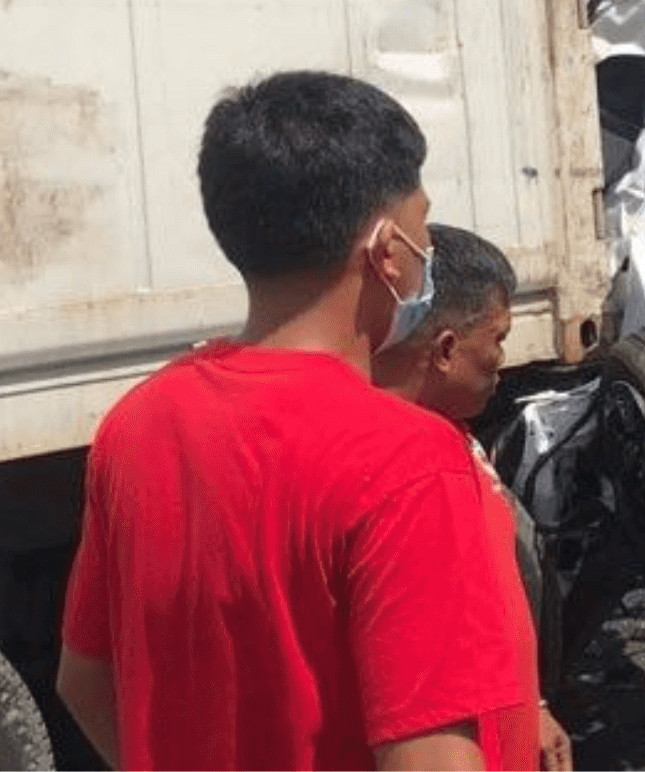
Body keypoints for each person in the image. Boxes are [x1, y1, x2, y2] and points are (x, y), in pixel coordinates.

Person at [56, 71, 538, 771]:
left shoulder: (138, 425)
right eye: (422, 222)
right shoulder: (409, 461)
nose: (426, 246)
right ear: (386, 250)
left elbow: (85, 678)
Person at [373, 223, 573, 771]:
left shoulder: (452, 438)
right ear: (445, 349)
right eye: (499, 339)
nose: (503, 362)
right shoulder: (397, 481)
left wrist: (533, 706)